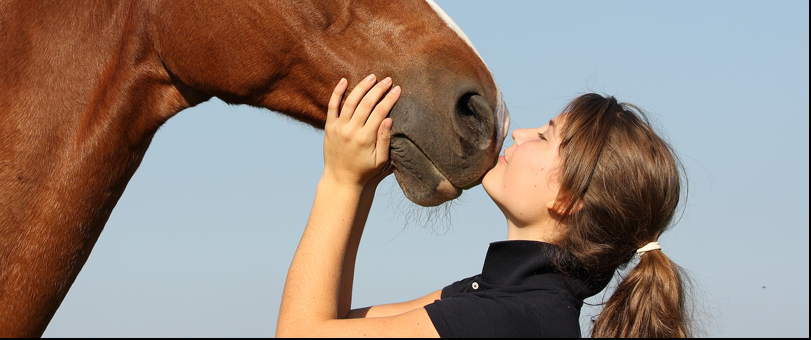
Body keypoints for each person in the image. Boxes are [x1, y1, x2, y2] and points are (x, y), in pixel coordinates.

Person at [275, 75, 692, 338]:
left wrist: (341, 180)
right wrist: (363, 181)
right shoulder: (509, 300)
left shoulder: (502, 320)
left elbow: (300, 334)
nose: (521, 134)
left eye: (545, 137)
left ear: (566, 200)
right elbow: (335, 324)